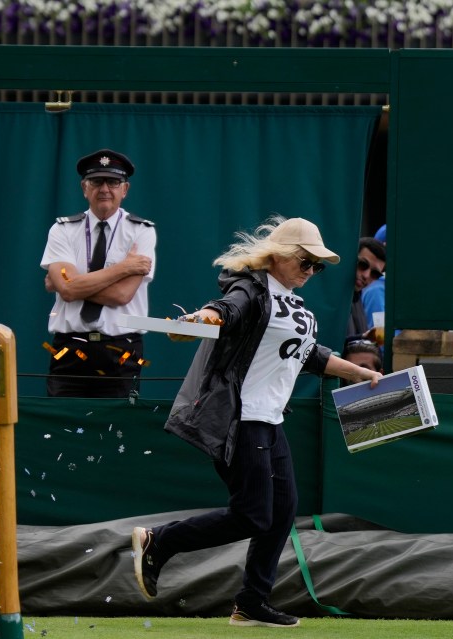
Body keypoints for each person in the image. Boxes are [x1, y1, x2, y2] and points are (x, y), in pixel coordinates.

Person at [130, 216, 381, 628]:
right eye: (306, 262)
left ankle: (251, 602)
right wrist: (200, 322)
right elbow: (225, 311)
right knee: (252, 515)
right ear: (281, 255)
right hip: (241, 419)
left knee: (282, 512)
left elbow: (311, 355)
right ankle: (160, 542)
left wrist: (363, 374)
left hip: (269, 420)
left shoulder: (293, 302)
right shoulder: (252, 288)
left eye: (317, 266)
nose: (311, 271)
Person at [40, 149, 156, 398]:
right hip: (69, 348)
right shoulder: (62, 230)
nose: (104, 188)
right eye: (96, 181)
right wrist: (124, 268)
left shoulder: (141, 231)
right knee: (61, 429)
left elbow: (123, 294)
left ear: (124, 190)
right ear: (84, 188)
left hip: (121, 350)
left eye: (113, 182)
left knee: (117, 433)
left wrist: (69, 283)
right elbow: (68, 290)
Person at [348, 236, 385, 342]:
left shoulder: (356, 297)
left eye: (375, 274)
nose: (366, 275)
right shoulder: (330, 296)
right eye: (363, 265)